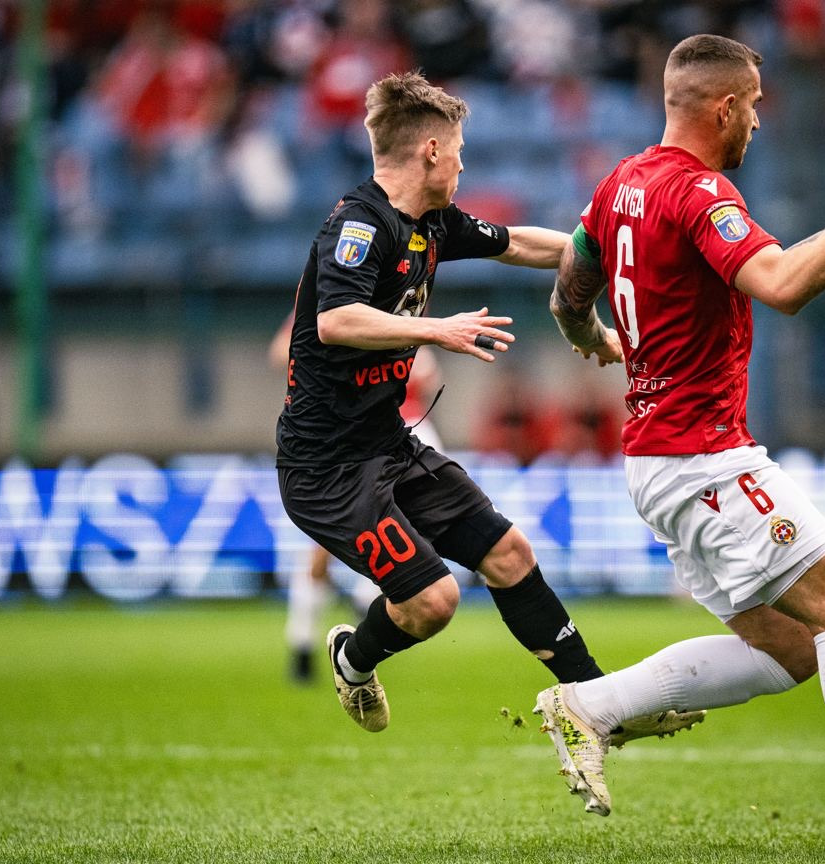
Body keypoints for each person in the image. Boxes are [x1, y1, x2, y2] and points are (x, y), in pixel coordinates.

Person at [538, 34, 825, 853]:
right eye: (752, 105)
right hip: (702, 456)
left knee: (790, 648)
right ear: (724, 108)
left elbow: (567, 294)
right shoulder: (699, 192)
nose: (758, 121)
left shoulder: (620, 184)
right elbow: (781, 284)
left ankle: (593, 705)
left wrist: (594, 338)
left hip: (658, 459)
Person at [275, 70, 701, 746]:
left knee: (508, 552)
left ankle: (600, 704)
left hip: (389, 443)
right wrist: (436, 329)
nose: (464, 164)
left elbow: (522, 243)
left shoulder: (431, 223)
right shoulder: (359, 225)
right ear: (432, 151)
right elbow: (335, 320)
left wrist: (620, 249)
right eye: (460, 151)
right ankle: (353, 659)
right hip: (327, 468)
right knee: (434, 601)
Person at [269, 315, 447, 683]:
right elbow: (282, 350)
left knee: (401, 533)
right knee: (328, 545)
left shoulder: (405, 301)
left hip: (406, 431)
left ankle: (359, 607)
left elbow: (427, 376)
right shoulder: (332, 303)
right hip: (351, 438)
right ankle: (305, 639)